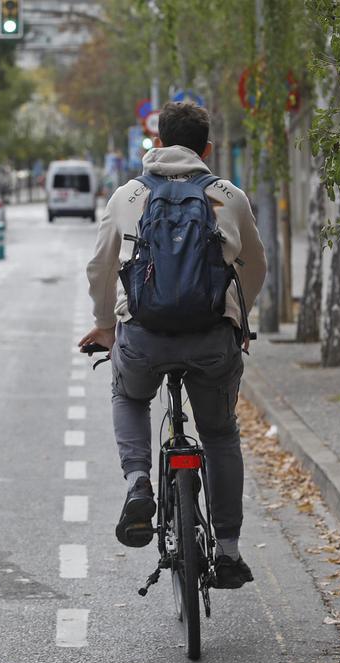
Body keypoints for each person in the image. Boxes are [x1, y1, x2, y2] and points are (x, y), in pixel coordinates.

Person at [79, 102, 267, 590]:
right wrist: (237, 317)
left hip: (144, 339)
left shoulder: (129, 195)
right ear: (207, 148)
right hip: (211, 341)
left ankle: (139, 481)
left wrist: (105, 325)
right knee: (221, 435)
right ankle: (227, 550)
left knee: (129, 394)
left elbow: (101, 268)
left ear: (158, 143)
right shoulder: (228, 196)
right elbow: (254, 266)